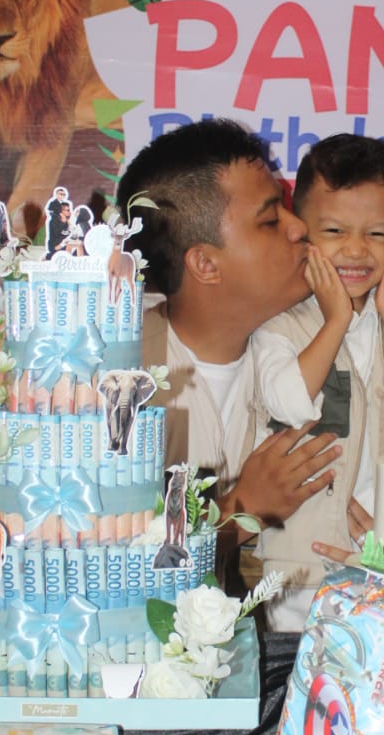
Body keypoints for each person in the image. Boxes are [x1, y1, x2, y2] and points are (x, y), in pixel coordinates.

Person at [116, 119, 341, 567]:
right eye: (271, 219)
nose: (299, 228)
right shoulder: (118, 384)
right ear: (205, 264)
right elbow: (109, 566)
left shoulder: (323, 342)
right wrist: (244, 510)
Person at [251, 134, 384, 630]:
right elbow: (289, 403)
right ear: (300, 232)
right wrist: (336, 321)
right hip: (299, 569)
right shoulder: (279, 324)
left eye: (377, 234)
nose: (355, 250)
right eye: (333, 231)